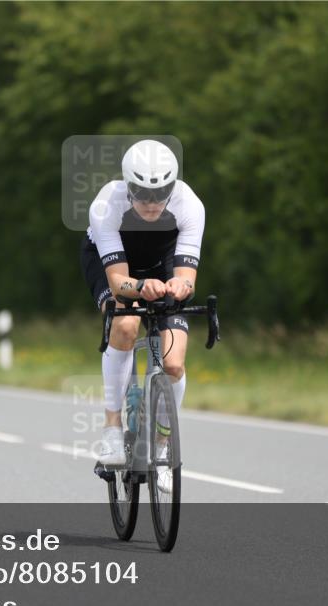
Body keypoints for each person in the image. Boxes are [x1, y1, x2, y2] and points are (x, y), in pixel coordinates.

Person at [79, 140, 205, 486]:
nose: (151, 202)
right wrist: (140, 287)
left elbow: (186, 277)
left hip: (162, 263)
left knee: (174, 364)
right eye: (142, 193)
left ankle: (163, 448)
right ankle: (112, 429)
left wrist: (179, 286)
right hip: (115, 264)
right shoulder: (107, 204)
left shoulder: (189, 204)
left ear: (172, 186)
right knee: (125, 324)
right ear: (128, 186)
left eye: (160, 193)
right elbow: (118, 282)